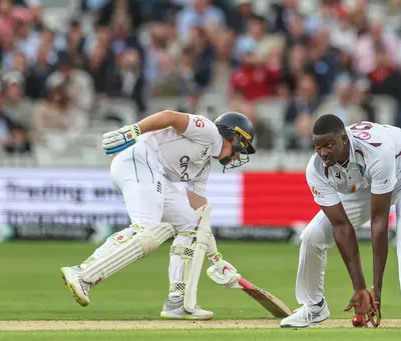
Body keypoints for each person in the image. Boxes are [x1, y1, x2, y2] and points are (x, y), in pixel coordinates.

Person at [61, 110, 256, 320]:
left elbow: (200, 214)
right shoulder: (208, 131)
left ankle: (177, 302)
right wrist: (133, 131)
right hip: (137, 161)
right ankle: (84, 273)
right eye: (242, 146)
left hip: (152, 173)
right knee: (146, 230)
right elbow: (170, 116)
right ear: (233, 135)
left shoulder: (203, 166)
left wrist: (216, 259)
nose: (239, 154)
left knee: (190, 226)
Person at [280, 114, 401, 329]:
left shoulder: (375, 151)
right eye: (318, 146)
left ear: (344, 140)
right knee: (312, 236)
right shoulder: (316, 169)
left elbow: (379, 221)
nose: (323, 152)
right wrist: (360, 288)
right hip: (367, 181)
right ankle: (313, 306)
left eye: (329, 145)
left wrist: (377, 291)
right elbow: (341, 227)